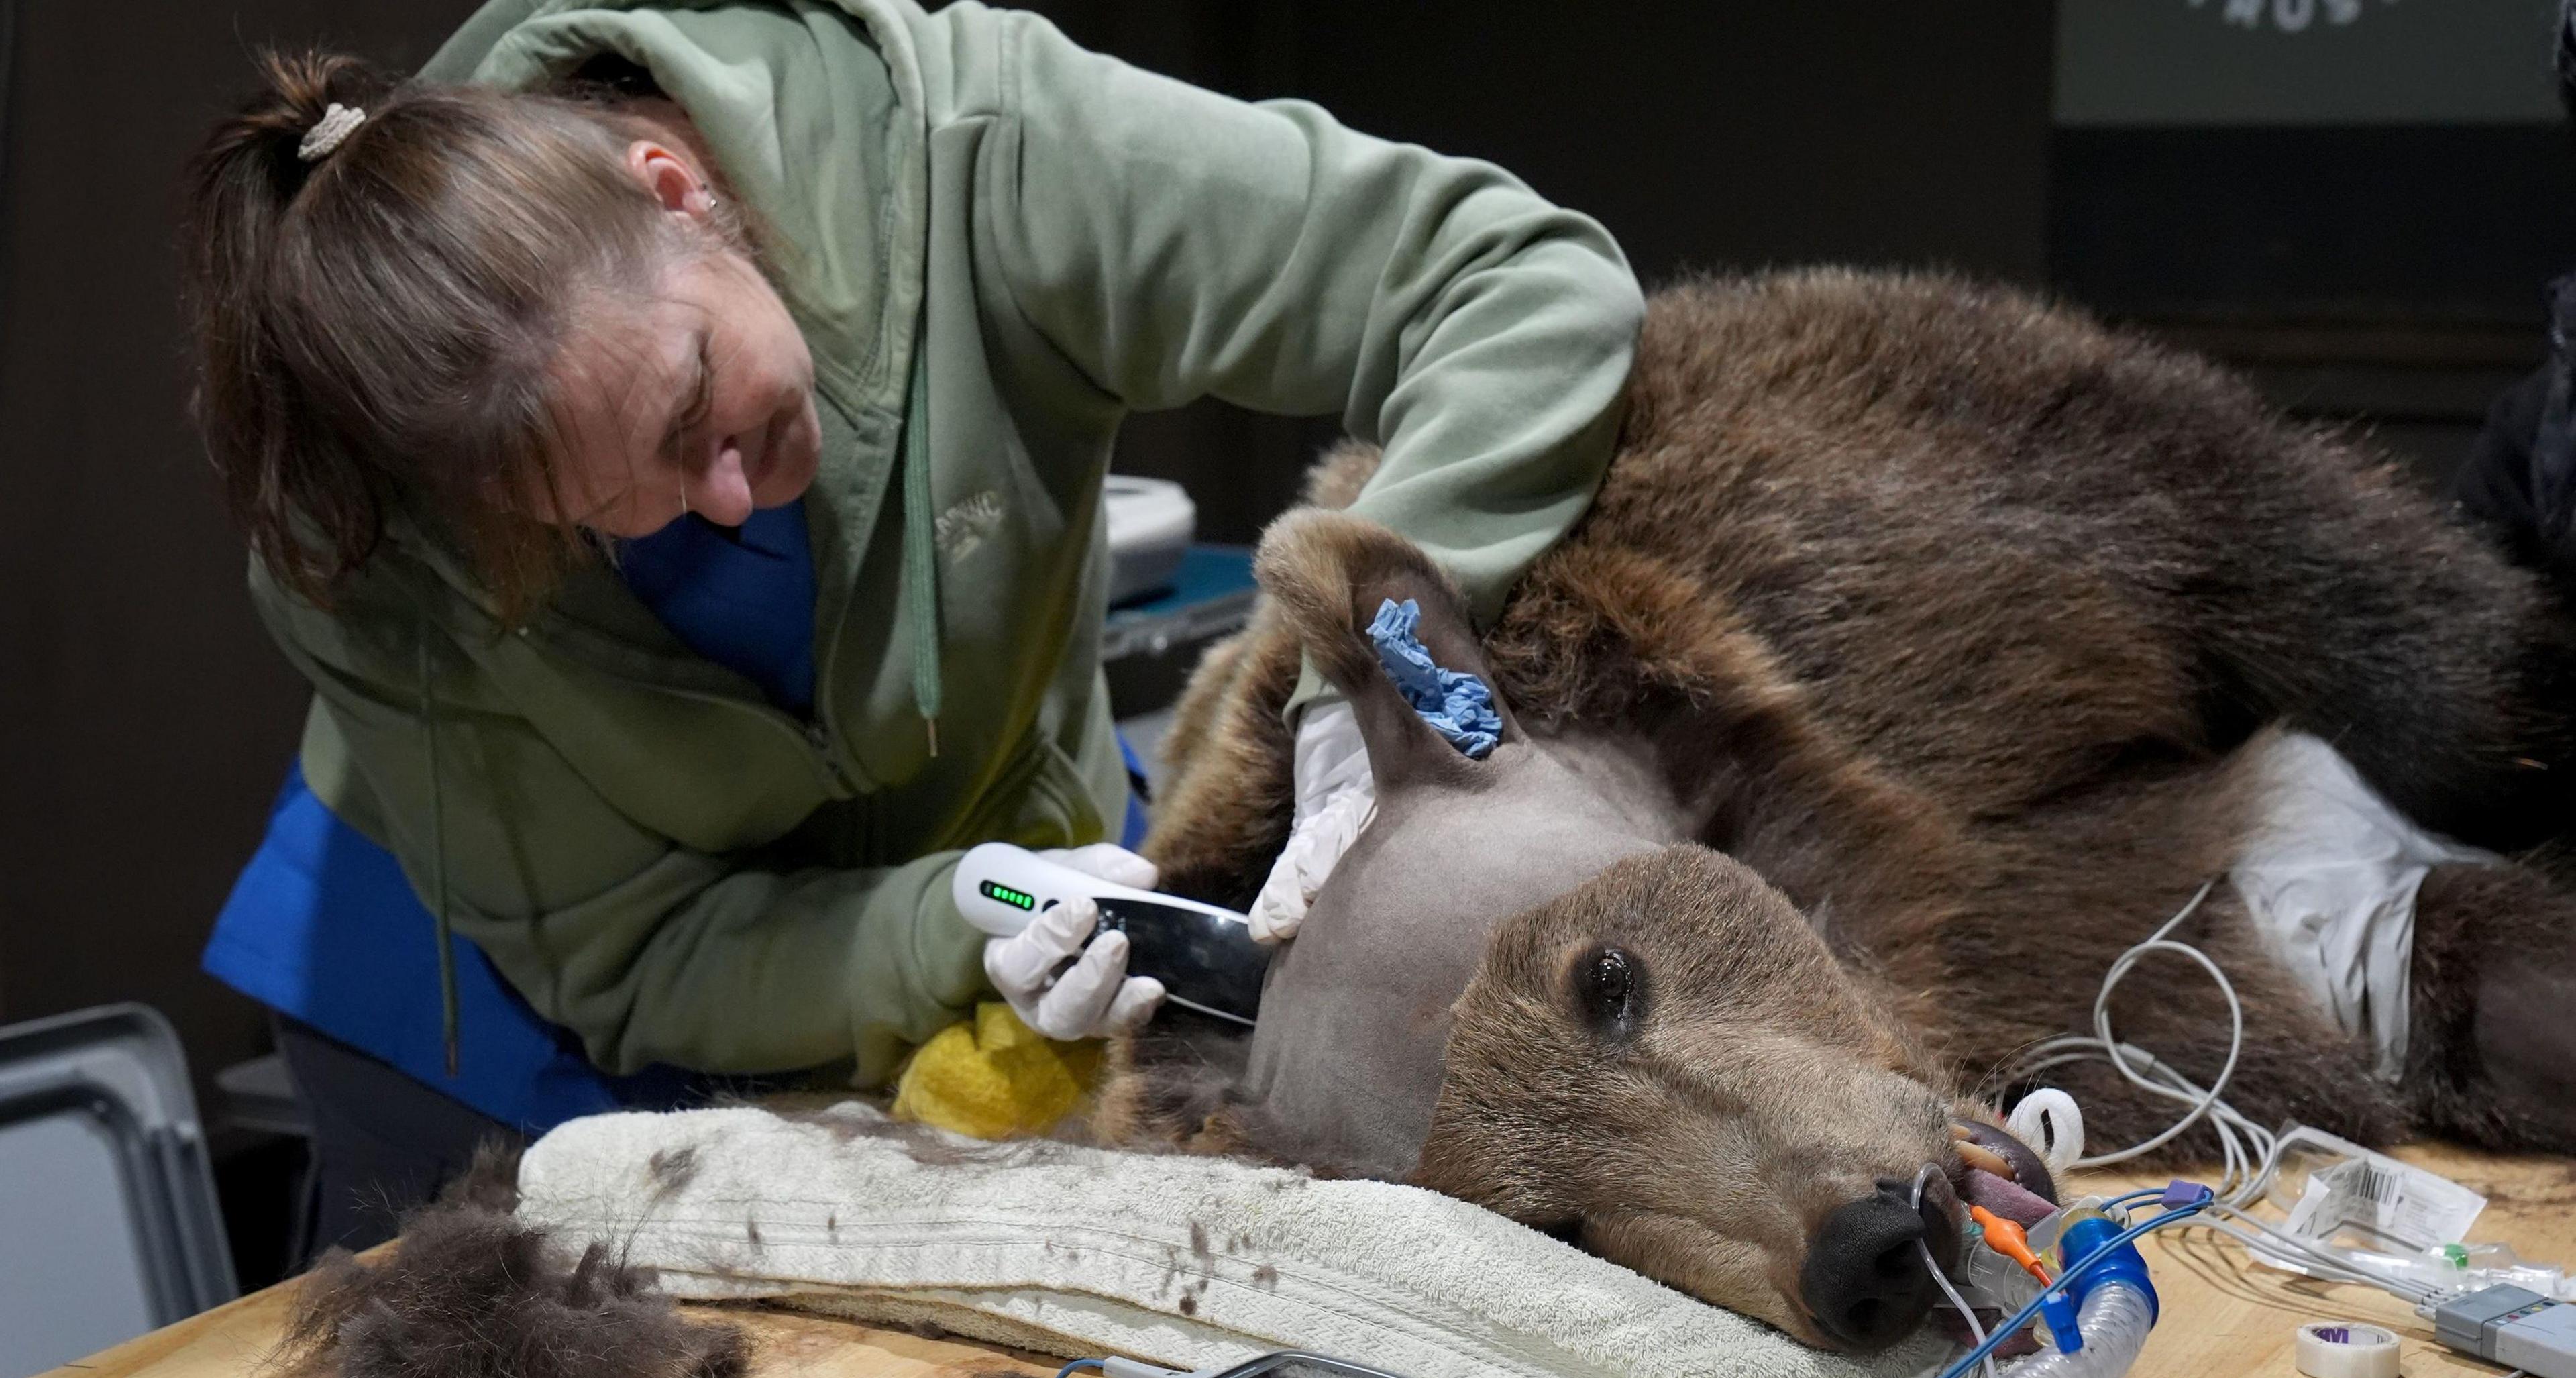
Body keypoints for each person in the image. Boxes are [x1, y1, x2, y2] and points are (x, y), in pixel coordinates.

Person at [183, 0, 1642, 1255]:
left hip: (1009, 903)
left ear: (676, 185)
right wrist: (930, 926)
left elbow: (1514, 283)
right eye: (617, 506)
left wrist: (1373, 691)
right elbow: (639, 955)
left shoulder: (984, 152)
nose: (736, 495)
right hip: (473, 1018)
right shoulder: (378, 550)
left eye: (701, 406)